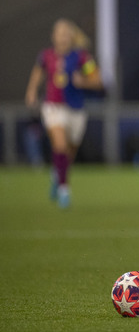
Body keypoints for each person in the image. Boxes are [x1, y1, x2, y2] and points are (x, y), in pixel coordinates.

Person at [25, 19, 102, 208]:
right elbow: (38, 73)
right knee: (59, 145)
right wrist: (32, 91)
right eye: (59, 33)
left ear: (71, 37)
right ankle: (64, 190)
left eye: (66, 33)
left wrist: (82, 81)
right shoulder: (46, 56)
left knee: (70, 152)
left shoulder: (82, 57)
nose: (62, 37)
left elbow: (97, 80)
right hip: (54, 107)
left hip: (76, 109)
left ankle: (56, 175)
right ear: (53, 36)